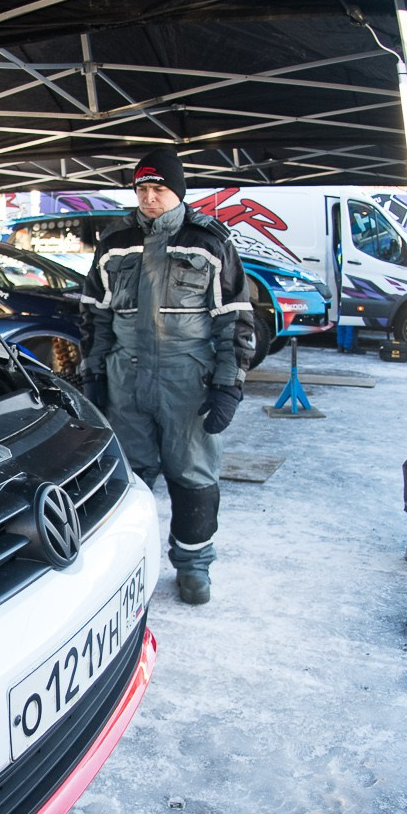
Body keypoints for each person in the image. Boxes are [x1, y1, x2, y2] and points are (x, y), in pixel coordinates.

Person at [79, 149, 254, 605]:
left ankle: (194, 566)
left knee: (193, 476)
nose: (149, 198)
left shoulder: (209, 242)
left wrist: (228, 386)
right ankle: (121, 564)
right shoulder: (115, 241)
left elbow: (234, 320)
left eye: (159, 189)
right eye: (142, 189)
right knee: (123, 478)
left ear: (178, 192)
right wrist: (92, 375)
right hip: (125, 380)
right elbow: (94, 316)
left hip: (186, 381)